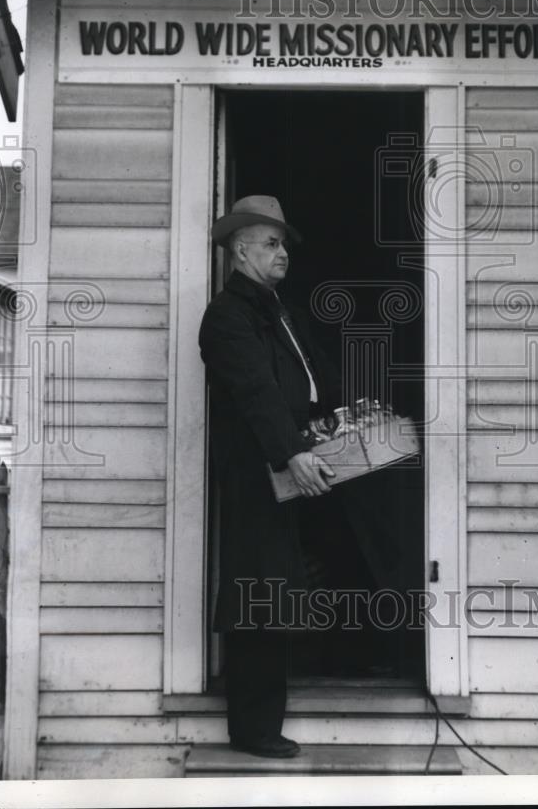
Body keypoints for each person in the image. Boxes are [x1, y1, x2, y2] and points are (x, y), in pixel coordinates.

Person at [198, 194, 342, 759]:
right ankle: (253, 730)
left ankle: (273, 714)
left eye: (283, 243)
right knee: (260, 591)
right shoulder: (230, 314)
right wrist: (290, 453)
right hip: (261, 470)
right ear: (240, 248)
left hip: (298, 455)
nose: (283, 253)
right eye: (271, 242)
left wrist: (339, 419)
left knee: (290, 583)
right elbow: (257, 393)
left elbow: (313, 375)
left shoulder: (278, 308)